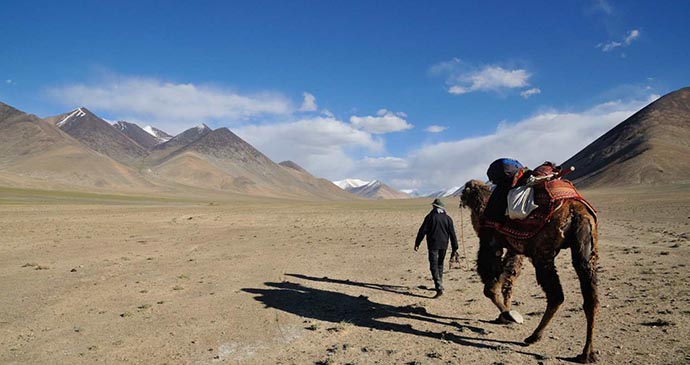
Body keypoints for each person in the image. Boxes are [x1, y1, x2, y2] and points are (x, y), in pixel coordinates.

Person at [414, 198, 459, 298]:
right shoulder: (448, 218)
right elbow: (452, 234)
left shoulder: (430, 217)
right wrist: (455, 247)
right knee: (440, 264)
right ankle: (440, 284)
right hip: (444, 245)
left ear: (435, 206)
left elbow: (422, 231)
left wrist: (417, 243)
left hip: (433, 245)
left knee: (433, 266)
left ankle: (438, 288)